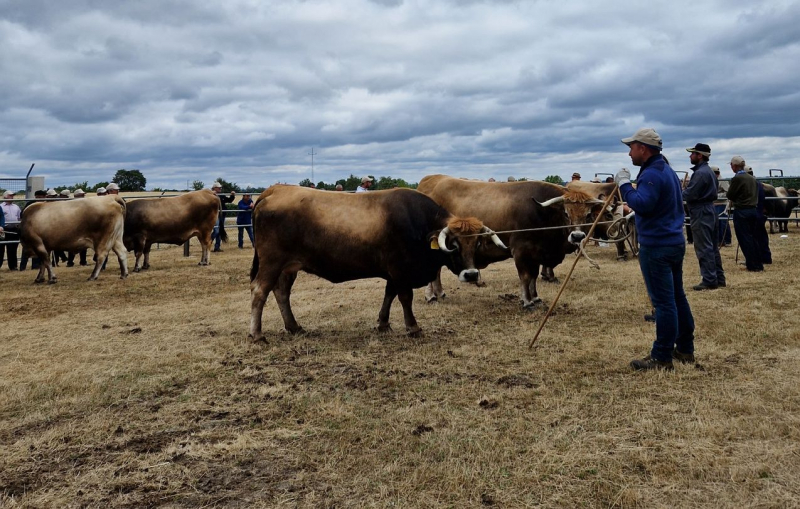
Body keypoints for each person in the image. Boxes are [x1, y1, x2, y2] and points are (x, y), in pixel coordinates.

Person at [615, 128, 695, 371]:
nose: (629, 153)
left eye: (632, 147)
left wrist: (624, 185)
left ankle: (661, 356)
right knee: (677, 297)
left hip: (657, 244)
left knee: (664, 303)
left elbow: (643, 204)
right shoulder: (666, 170)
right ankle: (684, 348)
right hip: (672, 242)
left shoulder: (651, 175)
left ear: (643, 148)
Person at [682, 143, 725, 290]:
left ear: (699, 155)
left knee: (703, 247)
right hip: (710, 209)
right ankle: (719, 278)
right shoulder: (709, 172)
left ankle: (709, 279)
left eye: (693, 153)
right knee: (712, 247)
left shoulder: (700, 173)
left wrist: (678, 193)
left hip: (700, 210)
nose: (690, 156)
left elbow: (689, 194)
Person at [727, 156, 762, 272]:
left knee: (745, 238)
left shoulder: (737, 178)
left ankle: (752, 264)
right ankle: (758, 263)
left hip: (742, 211)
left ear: (735, 166)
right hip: (753, 210)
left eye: (731, 165)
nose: (731, 167)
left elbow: (730, 195)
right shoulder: (751, 178)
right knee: (753, 237)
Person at [746, 165, 772, 264]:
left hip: (754, 212)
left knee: (754, 237)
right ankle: (766, 257)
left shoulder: (751, 184)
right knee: (762, 236)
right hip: (761, 213)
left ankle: (757, 258)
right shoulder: (759, 184)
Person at [19, 190, 47, 271]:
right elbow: (22, 214)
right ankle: (22, 266)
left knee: (40, 248)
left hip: (43, 229)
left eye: (41, 197)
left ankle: (36, 265)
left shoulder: (47, 205)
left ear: (44, 197)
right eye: (37, 197)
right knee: (27, 248)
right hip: (31, 228)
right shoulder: (30, 204)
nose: (39, 198)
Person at [0, 191, 22, 271]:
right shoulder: (0, 206)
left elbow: (19, 217)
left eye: (12, 196)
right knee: (0, 249)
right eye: (10, 195)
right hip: (3, 230)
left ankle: (13, 266)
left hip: (13, 230)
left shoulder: (16, 207)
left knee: (13, 249)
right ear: (5, 197)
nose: (12, 197)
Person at [211, 182, 235, 251]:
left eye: (220, 187)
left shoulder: (221, 195)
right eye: (219, 187)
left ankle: (217, 247)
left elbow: (229, 200)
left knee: (220, 230)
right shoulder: (211, 195)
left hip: (222, 214)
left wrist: (232, 195)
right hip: (215, 215)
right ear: (214, 188)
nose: (220, 188)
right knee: (216, 230)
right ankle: (208, 242)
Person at [67, 189, 89, 267]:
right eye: (81, 195)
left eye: (83, 195)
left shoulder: (85, 205)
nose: (83, 196)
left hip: (83, 227)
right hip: (73, 227)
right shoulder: (71, 204)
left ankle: (83, 261)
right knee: (72, 245)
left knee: (84, 245)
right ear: (76, 196)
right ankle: (70, 262)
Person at [713, 166, 732, 246]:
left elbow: (728, 192)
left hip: (722, 204)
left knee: (723, 222)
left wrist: (716, 195)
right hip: (715, 204)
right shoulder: (715, 180)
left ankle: (726, 240)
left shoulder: (722, 181)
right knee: (719, 223)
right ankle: (721, 240)